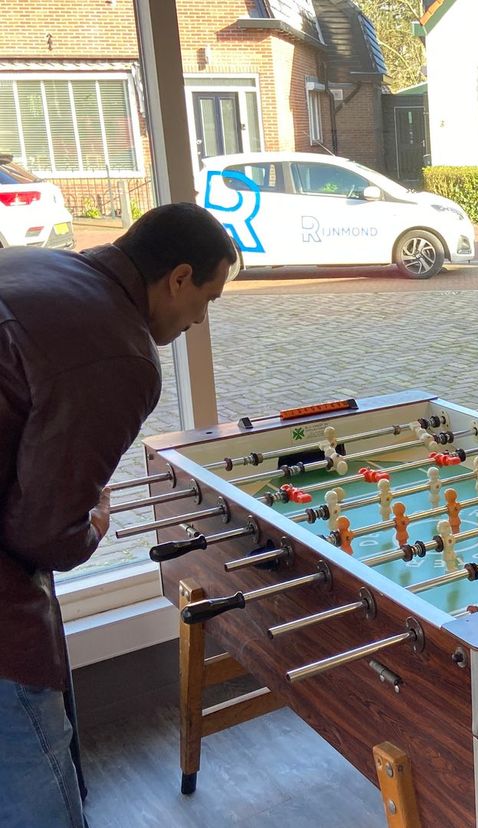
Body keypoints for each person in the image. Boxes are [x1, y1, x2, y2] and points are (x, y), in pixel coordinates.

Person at [0, 203, 239, 828]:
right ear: (178, 278)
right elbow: (44, 532)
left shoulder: (34, 264)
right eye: (206, 298)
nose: (199, 320)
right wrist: (93, 522)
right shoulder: (119, 352)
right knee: (33, 781)